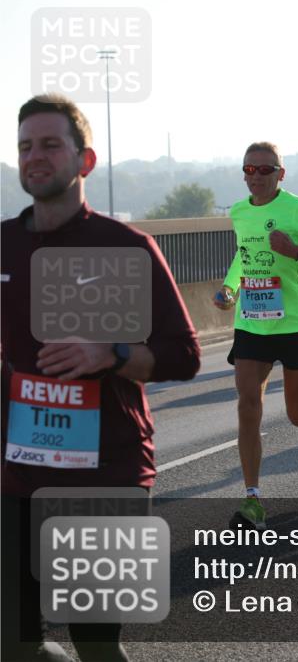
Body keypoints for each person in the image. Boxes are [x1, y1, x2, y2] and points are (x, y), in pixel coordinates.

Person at [3, 94, 201, 662]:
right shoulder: (4, 243)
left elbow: (184, 355)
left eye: (49, 144)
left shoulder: (124, 247)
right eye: (24, 147)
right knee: (12, 643)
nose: (34, 157)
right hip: (18, 475)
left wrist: (110, 353)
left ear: (84, 161)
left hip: (108, 472)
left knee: (96, 645)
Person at [213, 141, 298, 530]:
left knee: (296, 413)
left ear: (280, 174)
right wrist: (229, 288)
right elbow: (244, 255)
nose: (255, 177)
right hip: (252, 323)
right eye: (248, 170)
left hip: (295, 325)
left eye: (264, 170)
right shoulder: (239, 212)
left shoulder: (297, 209)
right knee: (247, 406)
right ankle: (253, 500)